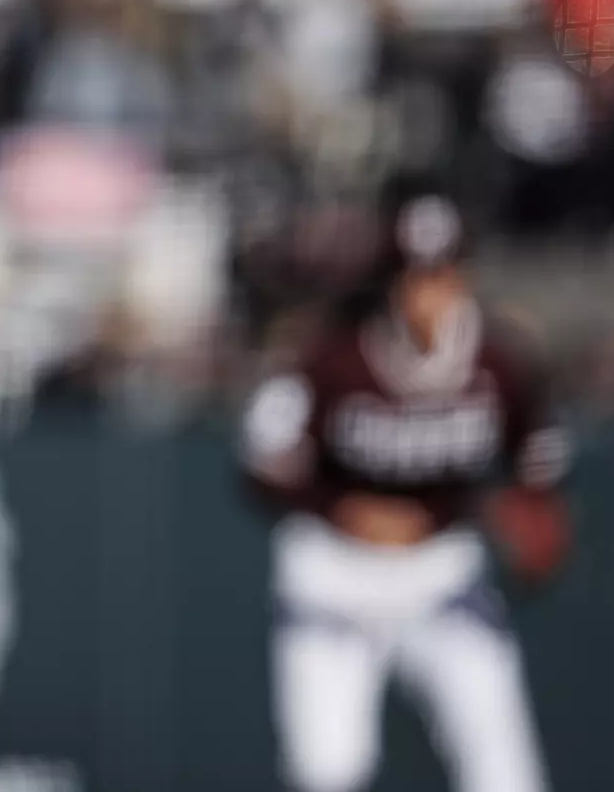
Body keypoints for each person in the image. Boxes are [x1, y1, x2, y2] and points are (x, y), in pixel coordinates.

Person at [238, 194, 569, 792]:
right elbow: (262, 461)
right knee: (327, 771)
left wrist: (531, 505)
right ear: (391, 282)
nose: (431, 293)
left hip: (439, 580)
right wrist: (341, 509)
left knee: (505, 770)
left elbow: (539, 456)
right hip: (336, 580)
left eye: (444, 274)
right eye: (417, 276)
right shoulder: (335, 361)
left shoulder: (499, 365)